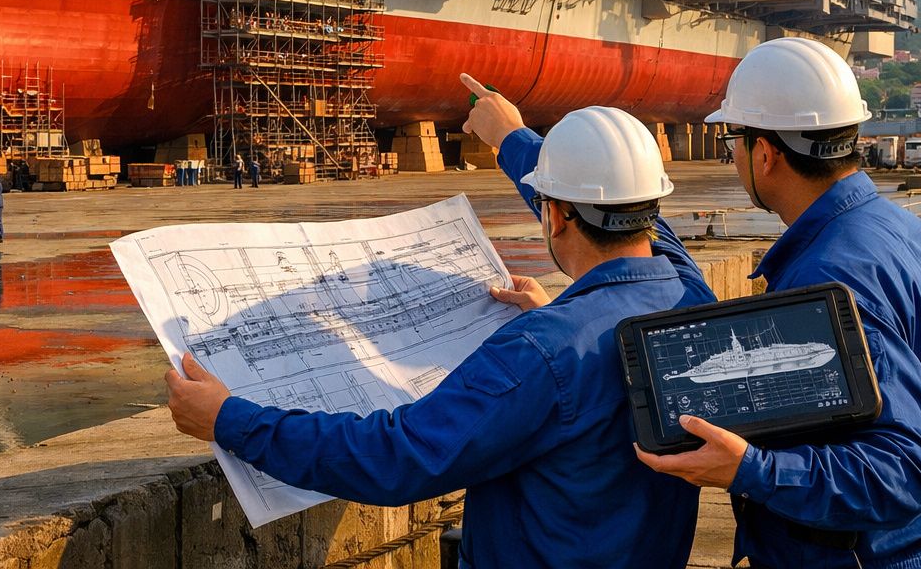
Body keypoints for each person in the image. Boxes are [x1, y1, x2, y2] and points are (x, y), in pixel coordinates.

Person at [166, 93, 715, 568]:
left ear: (557, 215)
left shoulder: (541, 350)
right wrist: (512, 139)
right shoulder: (693, 299)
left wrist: (230, 420)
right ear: (650, 204)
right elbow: (634, 223)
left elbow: (400, 457)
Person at [633, 37, 921, 569]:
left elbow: (902, 475)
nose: (732, 157)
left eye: (734, 140)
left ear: (766, 154)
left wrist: (749, 469)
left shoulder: (832, 274)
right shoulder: (903, 233)